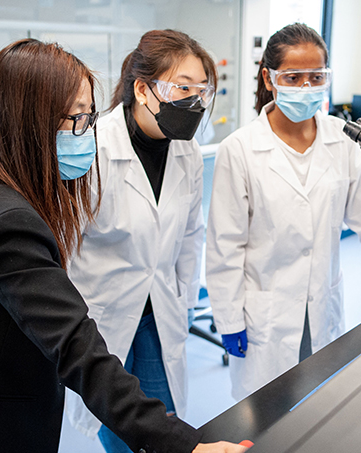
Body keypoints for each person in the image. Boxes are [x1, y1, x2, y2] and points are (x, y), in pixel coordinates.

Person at [0, 39, 245, 453]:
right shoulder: (8, 220)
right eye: (80, 119)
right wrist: (186, 446)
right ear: (31, 121)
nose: (89, 131)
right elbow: (76, 347)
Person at [205, 23, 361, 401]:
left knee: (318, 407)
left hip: (322, 304)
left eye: (316, 76)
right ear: (269, 79)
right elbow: (225, 246)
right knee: (263, 418)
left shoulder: (342, 139)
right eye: (293, 77)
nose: (306, 87)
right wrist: (228, 318)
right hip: (263, 316)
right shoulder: (239, 149)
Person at [64, 29, 214, 453]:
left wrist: (184, 299)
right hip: (101, 314)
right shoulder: (91, 147)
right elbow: (66, 242)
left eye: (200, 91)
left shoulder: (188, 151)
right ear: (143, 89)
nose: (193, 102)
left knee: (160, 423)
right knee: (117, 424)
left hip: (160, 310)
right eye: (182, 89)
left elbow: (190, 234)